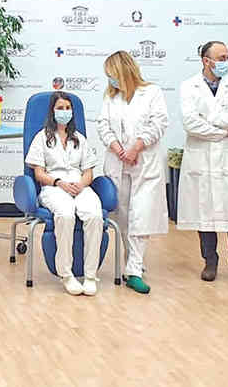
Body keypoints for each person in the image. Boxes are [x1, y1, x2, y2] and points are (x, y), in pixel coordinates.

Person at [177, 41, 228, 284]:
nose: (225, 62)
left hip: (227, 159)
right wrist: (220, 131)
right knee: (204, 210)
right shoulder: (189, 86)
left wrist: (209, 118)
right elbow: (190, 123)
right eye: (221, 58)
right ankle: (210, 262)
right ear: (206, 60)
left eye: (227, 57)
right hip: (202, 157)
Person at [97, 50, 168, 294]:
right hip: (118, 163)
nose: (110, 79)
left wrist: (136, 147)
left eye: (112, 74)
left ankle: (134, 270)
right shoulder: (110, 97)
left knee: (142, 216)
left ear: (123, 71)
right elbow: (103, 125)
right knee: (123, 217)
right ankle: (132, 262)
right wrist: (118, 149)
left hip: (144, 163)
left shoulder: (152, 93)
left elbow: (159, 123)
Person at [25, 91, 103, 296]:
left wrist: (81, 184)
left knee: (95, 215)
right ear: (52, 111)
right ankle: (66, 274)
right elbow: (39, 173)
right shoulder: (42, 138)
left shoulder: (79, 139)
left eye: (68, 108)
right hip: (54, 187)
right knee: (66, 215)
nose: (64, 112)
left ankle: (90, 276)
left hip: (80, 185)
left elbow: (88, 172)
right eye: (60, 108)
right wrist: (59, 183)